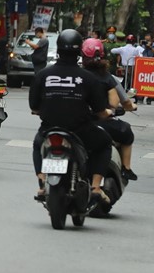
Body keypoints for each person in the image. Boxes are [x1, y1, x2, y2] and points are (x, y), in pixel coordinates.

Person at [28, 29, 113, 204]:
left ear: (58, 49)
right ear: (79, 51)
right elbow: (100, 111)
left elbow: (34, 106)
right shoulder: (88, 78)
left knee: (38, 145)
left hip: (49, 129)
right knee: (104, 143)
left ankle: (42, 183)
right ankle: (96, 187)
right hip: (80, 130)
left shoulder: (43, 74)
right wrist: (108, 113)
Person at [81, 38, 138, 180]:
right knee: (126, 131)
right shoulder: (108, 78)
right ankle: (126, 168)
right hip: (100, 121)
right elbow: (117, 103)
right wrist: (131, 106)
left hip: (76, 121)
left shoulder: (76, 76)